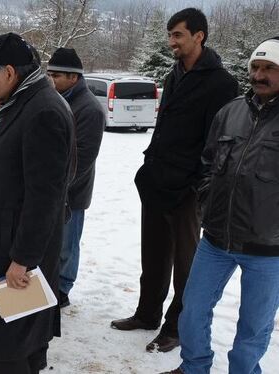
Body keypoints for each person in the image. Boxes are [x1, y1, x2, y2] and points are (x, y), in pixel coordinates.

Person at [111, 8, 239, 353]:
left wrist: (197, 184)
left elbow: (219, 144)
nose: (171, 42)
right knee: (152, 257)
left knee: (186, 266)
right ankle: (147, 313)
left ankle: (176, 327)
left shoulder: (221, 83)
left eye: (178, 35)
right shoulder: (174, 74)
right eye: (170, 35)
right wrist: (148, 164)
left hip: (187, 190)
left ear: (199, 36)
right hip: (156, 181)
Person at [162, 36, 279, 374]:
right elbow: (209, 163)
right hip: (215, 240)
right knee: (193, 311)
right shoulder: (231, 112)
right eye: (256, 67)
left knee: (254, 327)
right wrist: (207, 203)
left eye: (270, 68)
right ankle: (194, 367)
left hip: (267, 247)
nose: (260, 75)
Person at [0, 33, 75, 374]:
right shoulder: (23, 102)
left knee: (9, 345)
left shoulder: (43, 111)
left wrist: (22, 259)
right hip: (5, 244)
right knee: (23, 341)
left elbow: (46, 196)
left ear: (9, 72)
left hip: (16, 257)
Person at [46, 47, 105, 307]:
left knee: (67, 244)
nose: (51, 80)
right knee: (50, 241)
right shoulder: (55, 99)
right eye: (49, 74)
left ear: (74, 77)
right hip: (51, 187)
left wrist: (59, 188)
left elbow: (83, 158)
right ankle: (48, 284)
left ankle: (62, 288)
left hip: (72, 192)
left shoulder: (89, 109)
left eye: (57, 75)